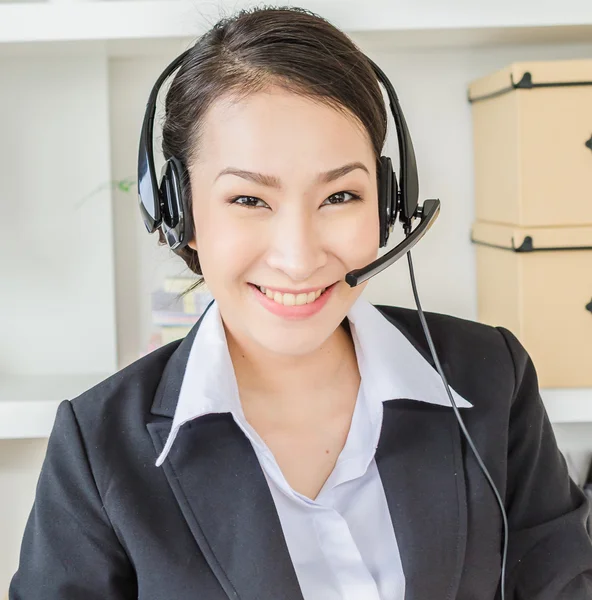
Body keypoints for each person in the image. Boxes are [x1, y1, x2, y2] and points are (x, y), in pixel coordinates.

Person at [9, 5, 592, 600]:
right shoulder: (99, 448)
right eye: (249, 200)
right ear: (180, 214)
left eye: (340, 195)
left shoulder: (492, 376)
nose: (298, 256)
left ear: (390, 204)